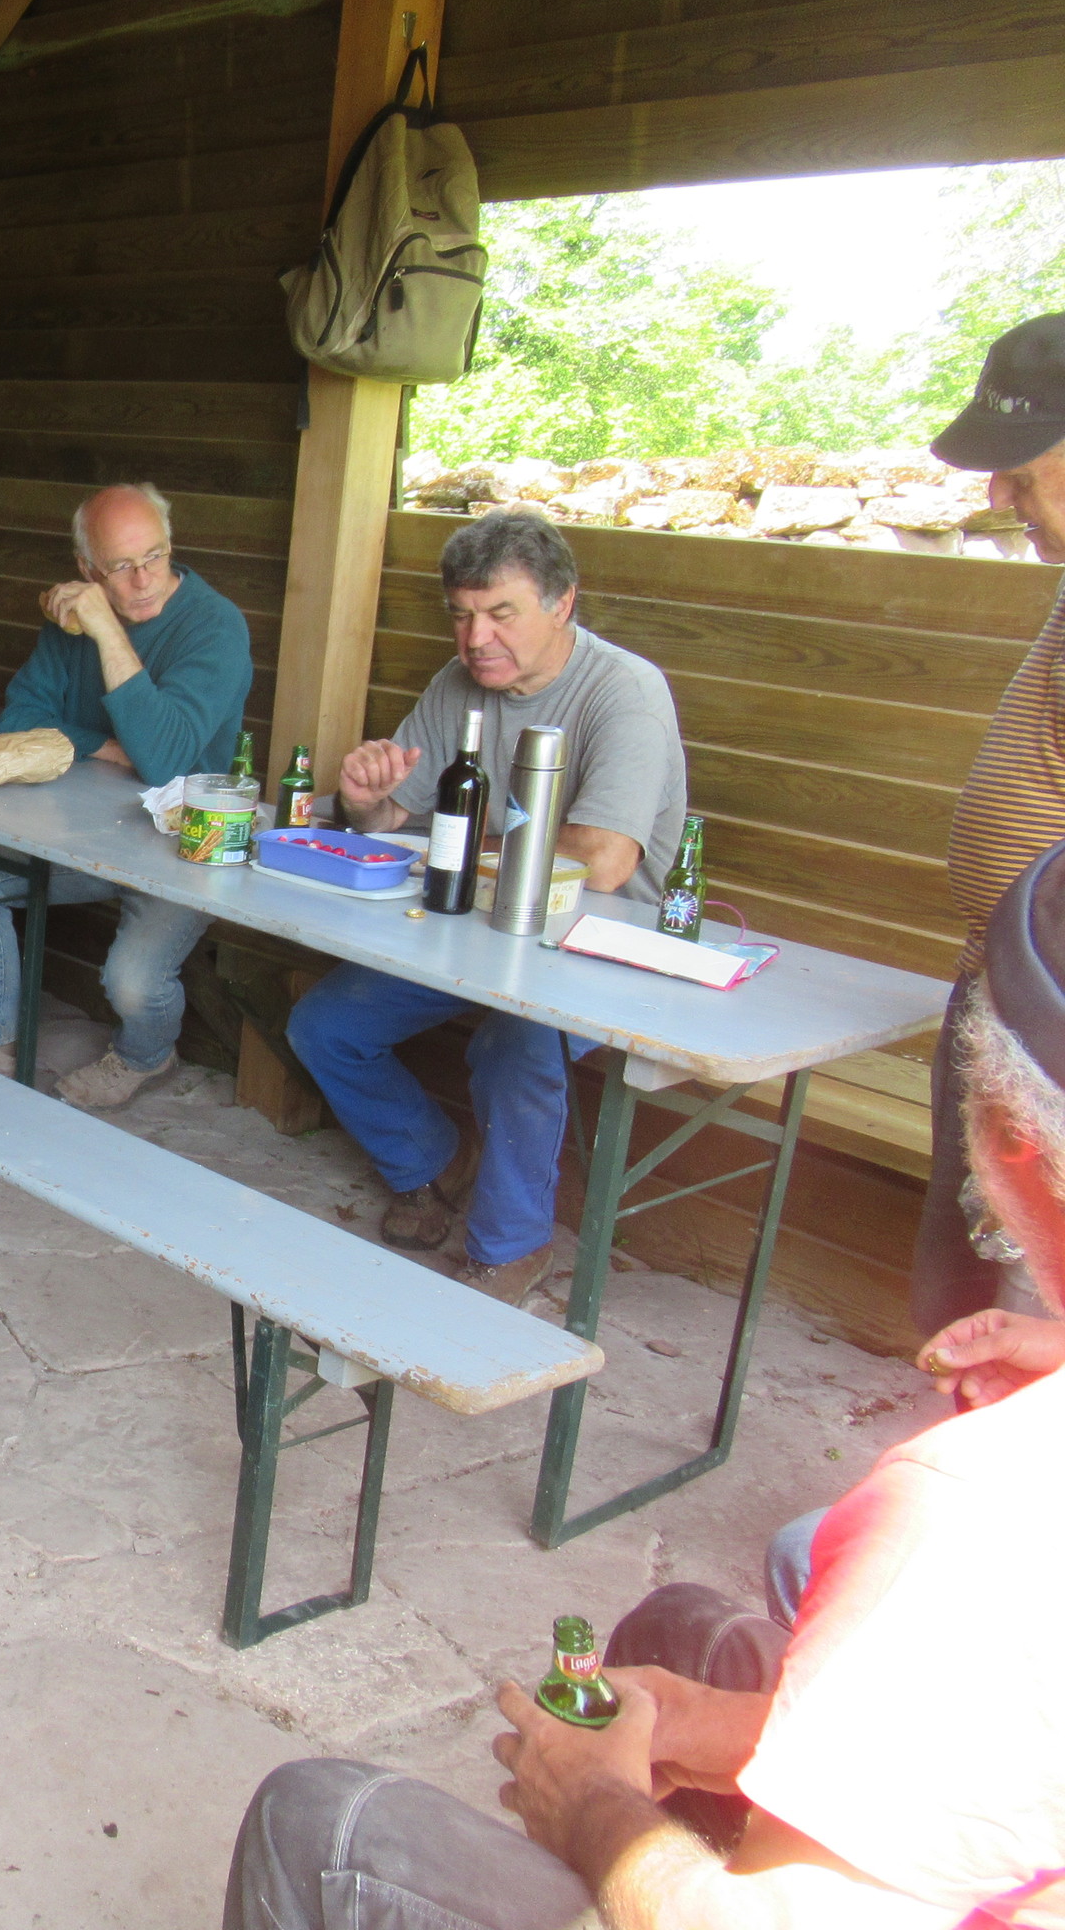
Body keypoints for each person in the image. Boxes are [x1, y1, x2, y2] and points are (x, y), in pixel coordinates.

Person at [222, 839, 1065, 1930]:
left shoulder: (971, 1515)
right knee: (677, 1636)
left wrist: (594, 1808)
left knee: (316, 1821)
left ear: (1005, 1142)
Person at [286, 507, 687, 1302]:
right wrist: (366, 801)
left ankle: (513, 1246)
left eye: (502, 613)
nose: (477, 639)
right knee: (325, 1025)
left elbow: (606, 862)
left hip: (594, 941)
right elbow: (395, 817)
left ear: (563, 602)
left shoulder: (625, 691)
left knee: (516, 1045)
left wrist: (459, 843)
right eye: (462, 616)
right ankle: (431, 1166)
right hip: (475, 920)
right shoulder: (456, 683)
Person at [0, 482, 253, 1109]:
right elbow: (20, 719)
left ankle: (145, 1056)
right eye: (120, 566)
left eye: (155, 556)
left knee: (130, 982)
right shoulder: (71, 621)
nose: (143, 579)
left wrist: (108, 632)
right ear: (87, 569)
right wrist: (111, 745)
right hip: (87, 831)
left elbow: (164, 759)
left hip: (188, 848)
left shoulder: (215, 625)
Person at [909, 312, 1065, 1336]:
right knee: (963, 1292)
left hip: (1053, 1034)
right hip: (1007, 998)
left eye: (1020, 467)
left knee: (1023, 1304)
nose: (998, 496)